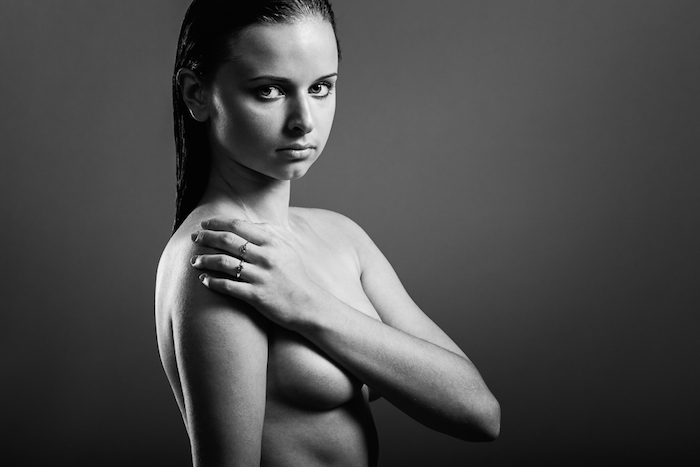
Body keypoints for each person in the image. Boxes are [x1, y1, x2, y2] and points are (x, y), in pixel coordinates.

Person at [155, 1, 500, 465]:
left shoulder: (340, 236)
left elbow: (480, 413)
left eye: (320, 87)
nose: (304, 120)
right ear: (197, 94)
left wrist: (307, 305)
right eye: (269, 90)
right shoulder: (222, 256)